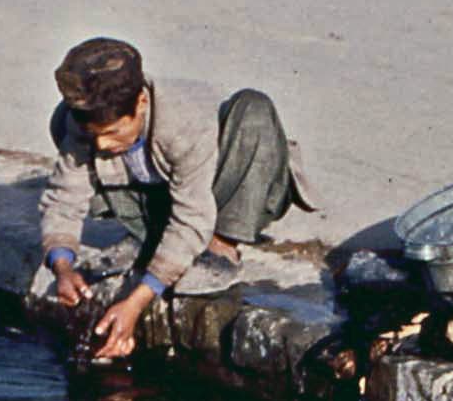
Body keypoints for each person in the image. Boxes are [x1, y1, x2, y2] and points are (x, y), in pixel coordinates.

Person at [39, 37, 317, 360]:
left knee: (253, 109)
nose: (101, 144)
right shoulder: (86, 127)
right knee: (62, 121)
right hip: (164, 198)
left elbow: (192, 216)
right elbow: (64, 197)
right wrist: (62, 267)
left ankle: (221, 247)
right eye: (94, 135)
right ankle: (148, 235)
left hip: (220, 192)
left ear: (141, 102)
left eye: (113, 132)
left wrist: (138, 301)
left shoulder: (184, 118)